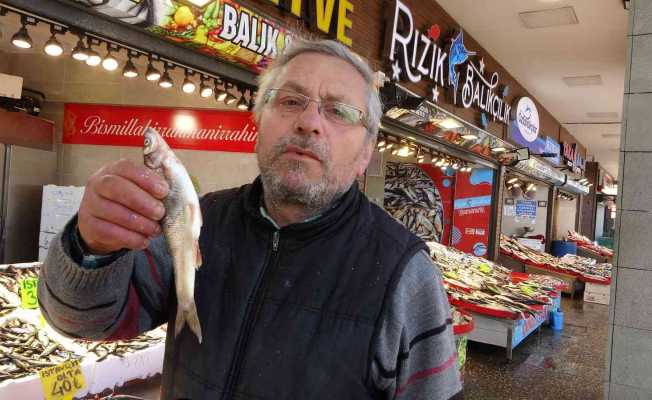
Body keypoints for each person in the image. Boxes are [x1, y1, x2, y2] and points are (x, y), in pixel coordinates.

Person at [38, 39, 461, 400]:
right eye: (291, 101)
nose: (310, 122)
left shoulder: (405, 274)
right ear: (258, 120)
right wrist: (90, 249)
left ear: (366, 152)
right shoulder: (202, 221)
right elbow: (82, 322)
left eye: (339, 112)